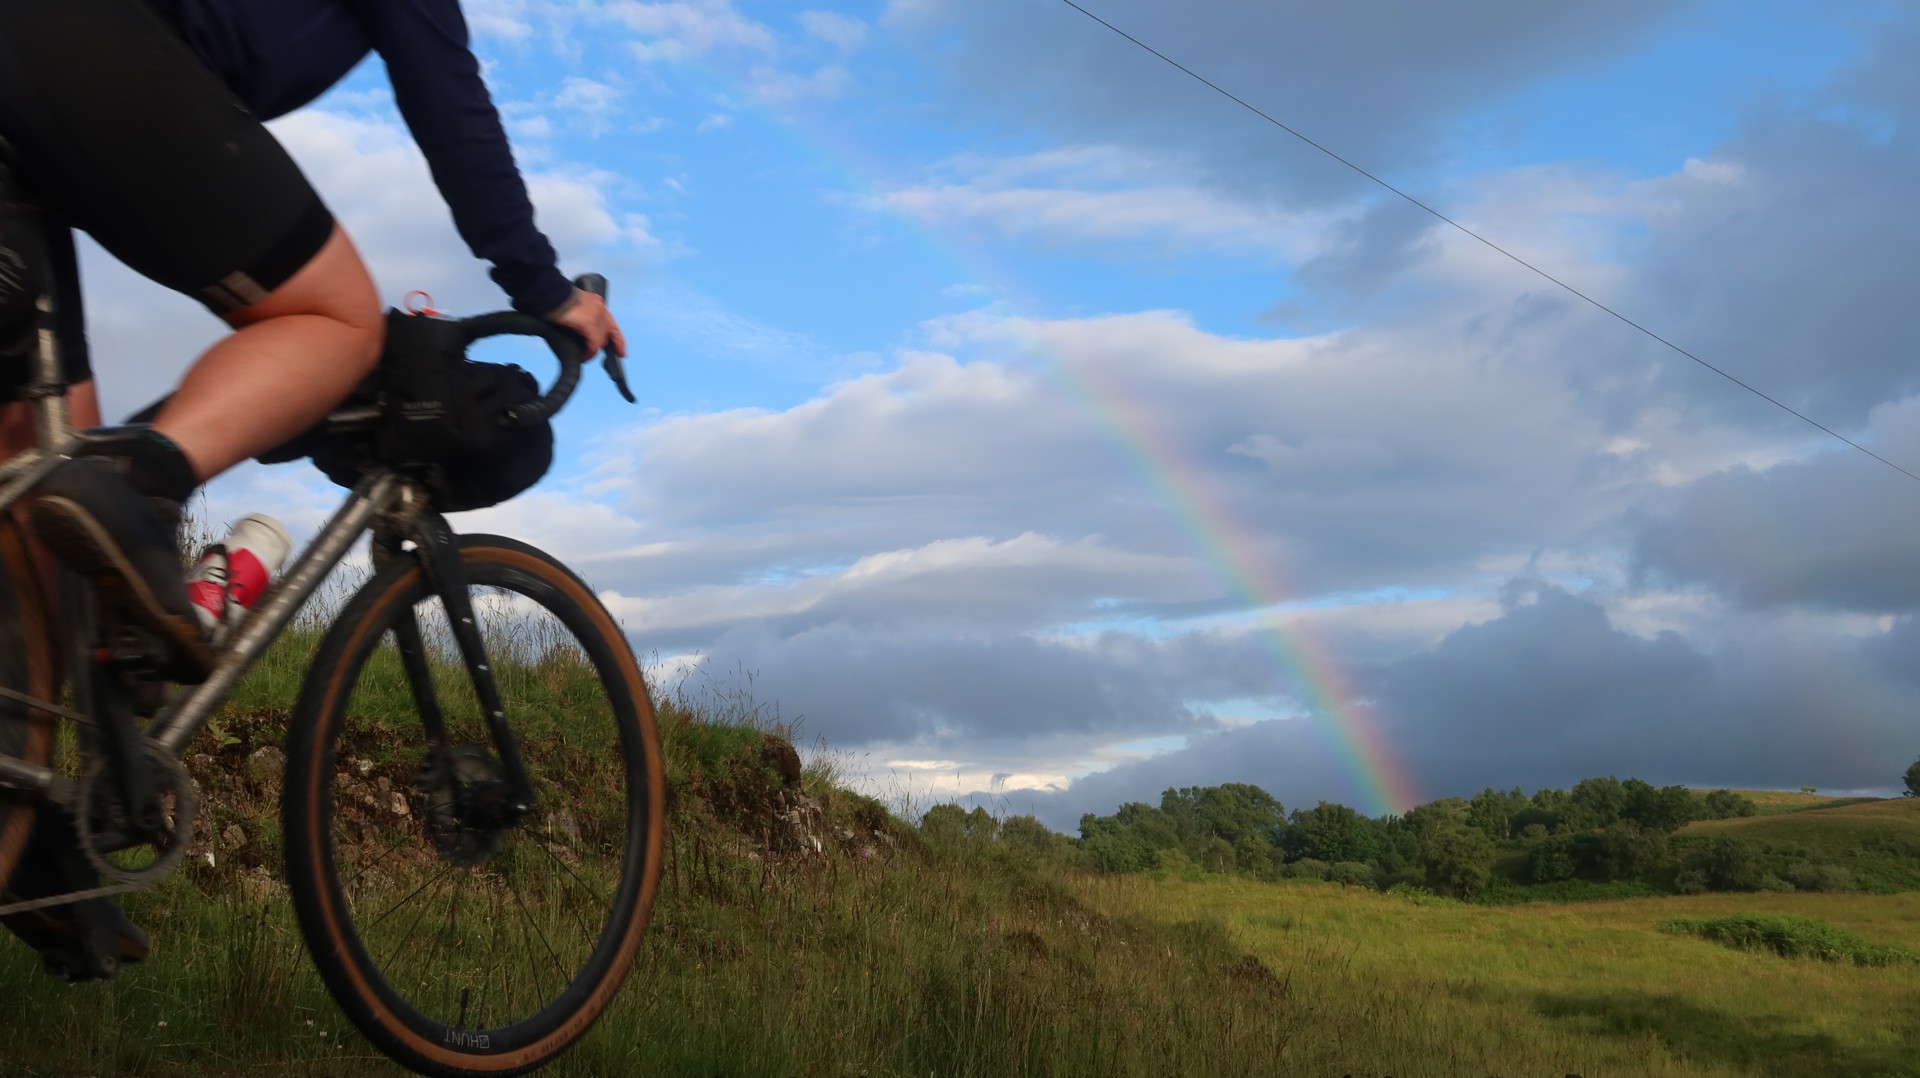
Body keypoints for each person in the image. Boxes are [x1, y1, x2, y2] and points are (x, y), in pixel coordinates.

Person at [0, 0, 624, 977]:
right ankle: (150, 488)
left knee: (35, 470)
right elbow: (449, 106)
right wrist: (547, 290)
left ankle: (24, 819)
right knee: (340, 324)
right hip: (84, 45)